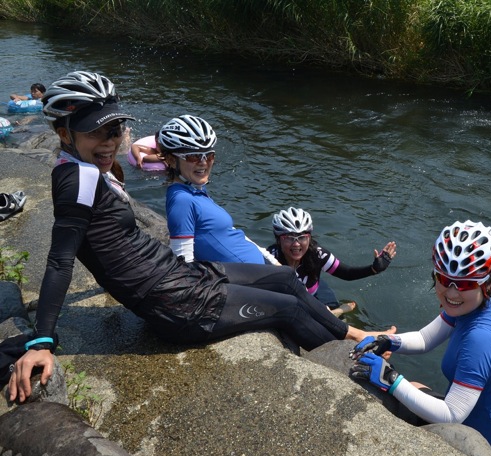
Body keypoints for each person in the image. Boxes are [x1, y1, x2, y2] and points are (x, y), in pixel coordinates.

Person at [6, 71, 394, 404]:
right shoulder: (77, 179)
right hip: (178, 305)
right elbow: (60, 259)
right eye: (97, 130)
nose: (110, 140)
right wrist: (41, 340)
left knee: (284, 278)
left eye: (115, 128)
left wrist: (143, 149)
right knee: (289, 309)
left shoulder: (81, 165)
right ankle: (359, 367)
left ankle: (356, 334)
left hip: (178, 277)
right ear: (63, 133)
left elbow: (154, 148)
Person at [349, 221, 491, 456]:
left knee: (400, 393)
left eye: (464, 284)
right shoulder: (477, 305)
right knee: (413, 385)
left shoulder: (482, 337)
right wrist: (388, 341)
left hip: (486, 440)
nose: (451, 292)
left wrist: (390, 379)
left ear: (485, 281)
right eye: (444, 279)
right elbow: (426, 338)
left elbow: (452, 415)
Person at [161, 115, 278, 266]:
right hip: (249, 280)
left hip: (262, 269)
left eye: (209, 156)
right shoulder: (182, 200)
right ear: (171, 160)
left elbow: (230, 232)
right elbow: (184, 263)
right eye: (193, 157)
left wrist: (271, 260)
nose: (203, 163)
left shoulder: (196, 191)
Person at [267, 207, 396, 312]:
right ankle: (339, 311)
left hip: (314, 293)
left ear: (309, 238)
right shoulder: (269, 259)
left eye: (302, 237)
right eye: (289, 238)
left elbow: (346, 273)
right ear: (278, 239)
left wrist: (373, 269)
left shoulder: (317, 254)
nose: (296, 244)